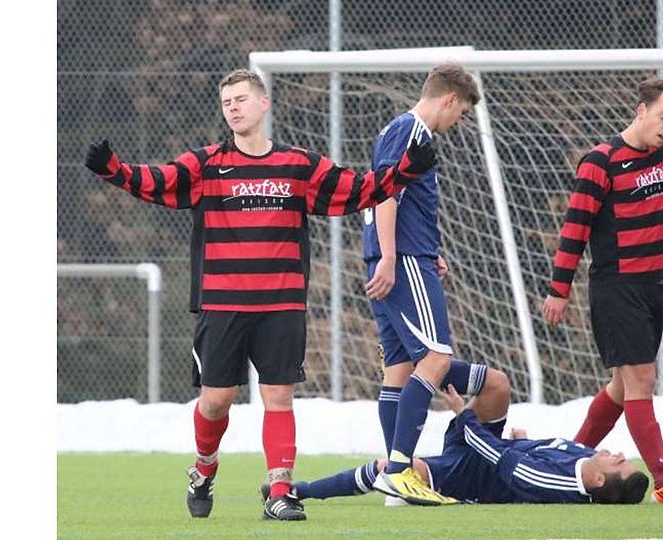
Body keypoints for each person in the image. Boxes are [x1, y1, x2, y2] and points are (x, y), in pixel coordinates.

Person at [83, 68, 436, 521]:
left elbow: (357, 191)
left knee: (279, 399)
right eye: (226, 101)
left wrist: (406, 170)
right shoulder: (206, 163)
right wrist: (114, 169)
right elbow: (158, 181)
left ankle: (280, 491)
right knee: (216, 401)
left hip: (281, 304)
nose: (233, 107)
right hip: (222, 303)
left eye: (241, 99)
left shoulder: (299, 164)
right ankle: (204, 468)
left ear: (264, 103)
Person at [542, 77, 663, 504]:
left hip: (651, 286)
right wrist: (559, 289)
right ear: (640, 111)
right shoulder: (601, 161)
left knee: (622, 389)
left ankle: (569, 462)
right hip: (616, 287)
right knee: (642, 380)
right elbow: (575, 229)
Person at [360, 64, 510, 506]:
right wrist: (392, 255)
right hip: (402, 260)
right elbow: (385, 193)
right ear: (448, 99)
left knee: (400, 370)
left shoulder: (402, 131)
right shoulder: (411, 132)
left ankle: (396, 482)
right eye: (461, 113)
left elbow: (403, 199)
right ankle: (400, 469)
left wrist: (429, 248)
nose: (457, 122)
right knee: (437, 358)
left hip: (407, 254)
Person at [292, 385, 649, 505]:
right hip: (483, 446)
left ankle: (299, 491)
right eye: (624, 457)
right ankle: (421, 366)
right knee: (497, 385)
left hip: (468, 476)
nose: (618, 454)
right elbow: (528, 452)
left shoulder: (555, 484)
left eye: (619, 464)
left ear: (599, 482)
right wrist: (522, 441)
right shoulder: (587, 458)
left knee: (389, 468)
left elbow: (500, 459)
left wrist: (464, 413)